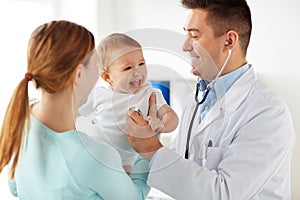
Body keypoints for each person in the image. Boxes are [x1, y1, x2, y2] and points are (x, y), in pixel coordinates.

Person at [126, 0, 296, 199]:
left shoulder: (267, 113)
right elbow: (180, 170)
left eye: (194, 35)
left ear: (229, 41)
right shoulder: (197, 99)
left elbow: (223, 194)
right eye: (186, 34)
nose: (185, 46)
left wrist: (152, 150)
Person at [0, 20, 150, 200]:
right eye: (96, 64)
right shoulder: (97, 157)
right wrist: (146, 148)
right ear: (79, 74)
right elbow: (136, 197)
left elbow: (15, 189)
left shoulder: (19, 124)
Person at [78, 33, 178, 174]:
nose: (137, 72)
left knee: (123, 186)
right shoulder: (99, 94)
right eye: (128, 68)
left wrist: (162, 124)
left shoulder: (150, 94)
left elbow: (171, 116)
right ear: (107, 77)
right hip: (96, 155)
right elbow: (75, 113)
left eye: (141, 64)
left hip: (127, 163)